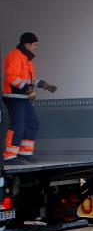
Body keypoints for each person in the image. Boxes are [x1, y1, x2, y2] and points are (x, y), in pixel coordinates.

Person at [3, 32, 58, 162]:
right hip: (14, 97)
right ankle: (10, 157)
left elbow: (29, 79)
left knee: (32, 123)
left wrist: (44, 84)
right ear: (27, 44)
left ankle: (24, 154)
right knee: (18, 125)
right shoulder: (15, 56)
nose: (35, 47)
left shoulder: (25, 58)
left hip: (22, 98)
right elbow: (11, 77)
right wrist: (27, 89)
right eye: (34, 44)